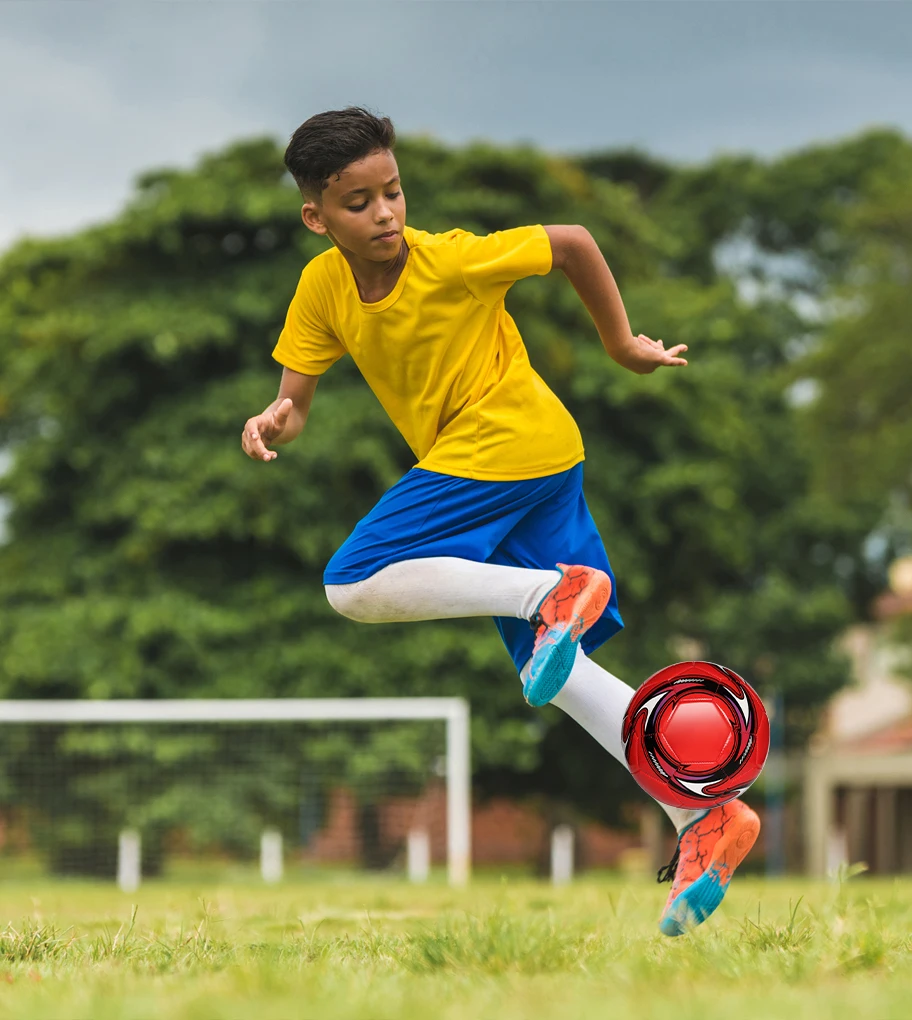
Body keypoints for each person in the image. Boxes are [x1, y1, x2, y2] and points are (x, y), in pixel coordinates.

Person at [241, 107, 759, 935]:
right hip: (537, 464)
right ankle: (706, 814)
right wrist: (272, 422)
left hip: (508, 445)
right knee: (558, 676)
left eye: (394, 192)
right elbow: (295, 400)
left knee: (351, 581)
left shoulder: (450, 260)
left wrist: (622, 345)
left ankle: (550, 594)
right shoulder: (323, 289)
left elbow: (574, 241)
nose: (385, 214)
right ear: (317, 216)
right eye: (359, 201)